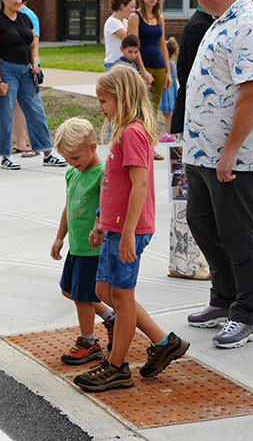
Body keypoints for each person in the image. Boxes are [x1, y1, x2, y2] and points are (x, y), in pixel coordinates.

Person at [183, 0, 253, 349]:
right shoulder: (222, 21)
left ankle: (248, 313)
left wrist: (230, 152)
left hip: (233, 157)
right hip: (202, 151)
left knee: (239, 233)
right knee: (204, 224)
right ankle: (224, 298)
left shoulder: (251, 25)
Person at [74, 66, 189, 391]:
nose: (100, 108)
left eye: (103, 101)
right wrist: (101, 222)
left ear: (121, 98)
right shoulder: (124, 131)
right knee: (103, 291)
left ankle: (117, 367)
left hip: (130, 230)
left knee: (122, 297)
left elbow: (139, 186)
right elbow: (115, 186)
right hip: (115, 227)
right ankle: (164, 342)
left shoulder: (133, 133)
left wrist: (126, 233)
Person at [50, 118, 115, 365]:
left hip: (93, 249)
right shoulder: (71, 173)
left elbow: (107, 210)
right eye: (67, 159)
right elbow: (69, 207)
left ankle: (88, 341)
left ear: (93, 147)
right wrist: (59, 237)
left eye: (76, 158)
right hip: (76, 247)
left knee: (81, 296)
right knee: (70, 290)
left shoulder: (102, 174)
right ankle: (111, 318)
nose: (72, 163)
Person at [0, 0, 67, 170]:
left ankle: (47, 153)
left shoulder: (25, 18)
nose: (17, 1)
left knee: (36, 111)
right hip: (6, 71)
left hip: (27, 71)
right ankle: (6, 155)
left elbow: (34, 45)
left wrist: (35, 64)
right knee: (5, 113)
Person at [128, 0, 172, 156]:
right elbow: (134, 45)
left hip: (160, 67)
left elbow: (163, 46)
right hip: (143, 68)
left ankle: (150, 148)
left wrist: (168, 71)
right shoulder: (135, 17)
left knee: (153, 110)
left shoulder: (160, 18)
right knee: (140, 108)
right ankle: (138, 147)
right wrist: (143, 71)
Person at [14, 0, 39, 158]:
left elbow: (34, 44)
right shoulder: (9, 16)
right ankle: (20, 143)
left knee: (30, 105)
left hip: (29, 66)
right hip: (13, 67)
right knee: (16, 106)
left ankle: (35, 144)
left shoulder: (29, 16)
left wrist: (34, 65)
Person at [103, 0, 136, 71]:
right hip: (114, 64)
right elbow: (129, 40)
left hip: (125, 62)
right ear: (122, 6)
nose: (134, 10)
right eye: (131, 7)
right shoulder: (112, 22)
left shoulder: (125, 21)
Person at [157, 37, 179, 143]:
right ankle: (169, 132)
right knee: (167, 113)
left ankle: (170, 133)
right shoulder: (173, 63)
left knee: (167, 113)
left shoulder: (168, 65)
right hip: (171, 90)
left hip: (167, 90)